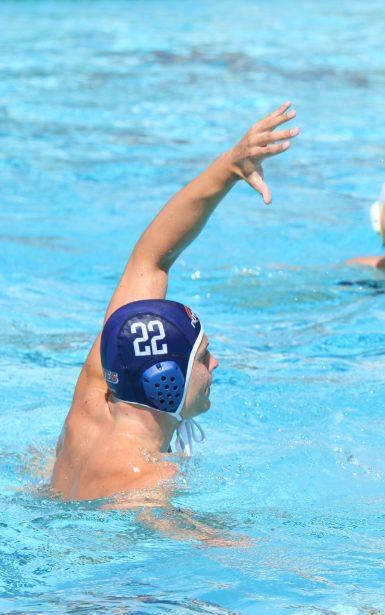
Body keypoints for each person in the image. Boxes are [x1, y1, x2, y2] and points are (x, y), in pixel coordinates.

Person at [50, 102, 299, 503]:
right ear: (166, 382)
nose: (215, 363)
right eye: (202, 358)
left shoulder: (95, 401)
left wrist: (231, 168)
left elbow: (152, 257)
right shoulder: (149, 483)